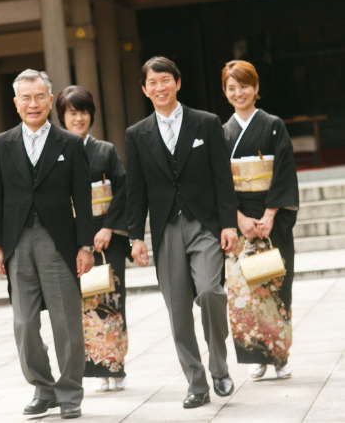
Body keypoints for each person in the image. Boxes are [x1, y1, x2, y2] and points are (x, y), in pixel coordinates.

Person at [126, 56, 238, 409]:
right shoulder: (137, 134)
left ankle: (219, 367)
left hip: (204, 224)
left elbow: (223, 177)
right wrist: (135, 236)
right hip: (165, 230)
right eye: (152, 83)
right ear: (145, 90)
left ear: (177, 82)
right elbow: (136, 190)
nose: (159, 88)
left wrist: (228, 224)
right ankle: (195, 382)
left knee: (210, 291)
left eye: (165, 80)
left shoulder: (206, 123)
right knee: (177, 310)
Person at [0, 69, 94, 420]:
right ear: (16, 104)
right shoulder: (1, 144)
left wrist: (85, 245)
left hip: (58, 241)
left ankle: (70, 392)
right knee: (24, 322)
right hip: (17, 242)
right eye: (25, 98)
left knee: (66, 321)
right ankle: (42, 387)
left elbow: (83, 198)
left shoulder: (71, 144)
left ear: (51, 100)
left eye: (39, 97)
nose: (33, 104)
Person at [221, 59, 298, 380]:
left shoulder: (273, 124)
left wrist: (269, 214)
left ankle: (279, 355)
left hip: (272, 217)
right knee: (243, 292)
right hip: (239, 219)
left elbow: (284, 171)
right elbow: (219, 181)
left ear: (256, 88)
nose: (239, 93)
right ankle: (256, 357)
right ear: (225, 92)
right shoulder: (221, 132)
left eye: (245, 86)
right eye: (232, 87)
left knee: (276, 285)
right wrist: (237, 217)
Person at [55, 86, 129, 393]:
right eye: (72, 112)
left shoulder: (106, 151)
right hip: (73, 239)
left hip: (106, 237)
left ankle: (116, 366)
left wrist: (109, 227)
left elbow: (123, 190)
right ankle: (94, 368)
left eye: (83, 111)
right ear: (62, 117)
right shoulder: (56, 152)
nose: (79, 118)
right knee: (82, 304)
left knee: (111, 300)